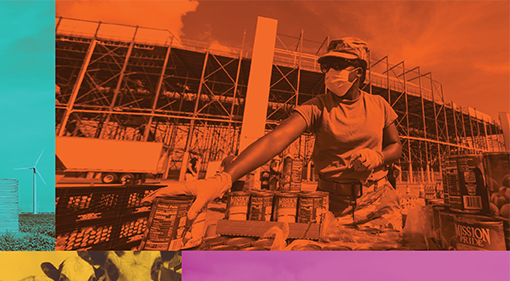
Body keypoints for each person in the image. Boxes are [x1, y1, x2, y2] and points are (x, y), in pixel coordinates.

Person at [144, 37, 404, 231]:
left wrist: (379, 157)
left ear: (359, 71)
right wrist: (223, 179)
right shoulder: (318, 106)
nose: (330, 72)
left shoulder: (379, 105)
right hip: (331, 205)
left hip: (379, 201)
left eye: (339, 65)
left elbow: (395, 146)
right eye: (327, 66)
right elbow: (276, 139)